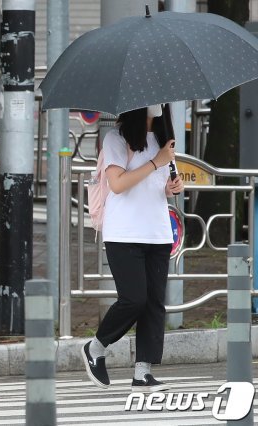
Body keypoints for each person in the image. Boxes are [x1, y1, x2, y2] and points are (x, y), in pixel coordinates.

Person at [81, 105, 184, 393]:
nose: (160, 105)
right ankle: (96, 347)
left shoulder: (163, 141)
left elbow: (153, 186)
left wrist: (170, 187)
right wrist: (155, 162)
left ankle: (143, 372)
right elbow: (117, 184)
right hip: (124, 232)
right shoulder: (116, 138)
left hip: (157, 231)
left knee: (153, 303)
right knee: (133, 299)